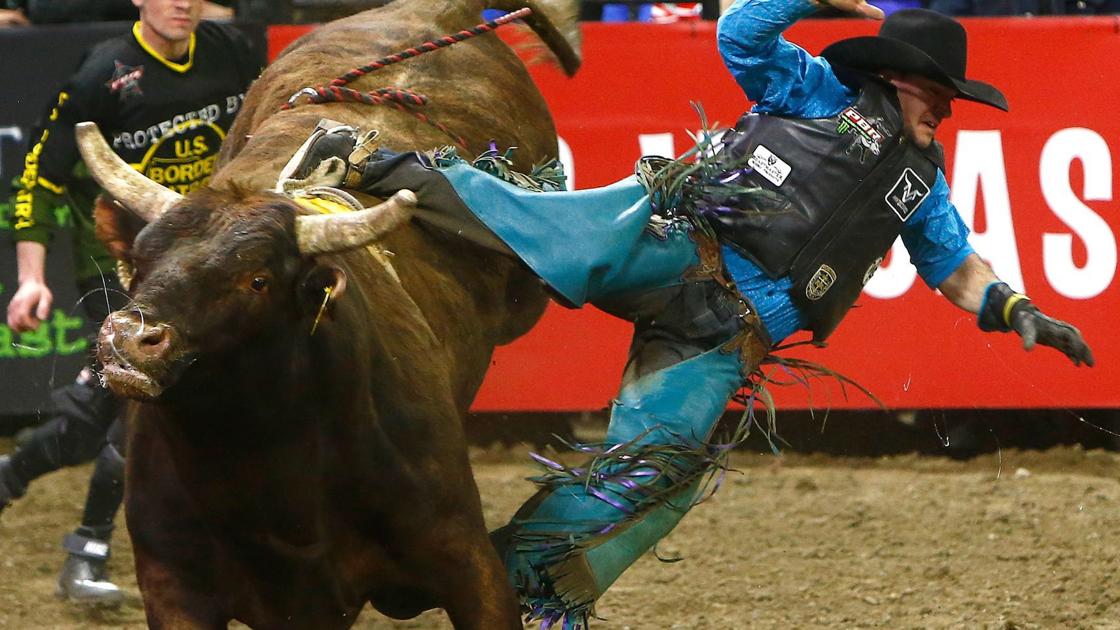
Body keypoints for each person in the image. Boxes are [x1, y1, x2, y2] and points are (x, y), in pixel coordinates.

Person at [281, 2, 1093, 627]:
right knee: (553, 235)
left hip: (722, 331)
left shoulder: (924, 180)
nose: (945, 115)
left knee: (659, 469)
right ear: (904, 80)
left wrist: (1015, 308)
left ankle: (492, 575)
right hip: (680, 239)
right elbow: (741, 34)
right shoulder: (814, 85)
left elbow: (952, 261)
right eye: (941, 99)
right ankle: (364, 156)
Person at [1, 0, 262, 606]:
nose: (181, 3)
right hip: (118, 264)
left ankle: (13, 479)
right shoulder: (102, 75)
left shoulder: (229, 53)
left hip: (203, 260)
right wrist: (31, 279)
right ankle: (87, 549)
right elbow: (37, 181)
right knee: (142, 405)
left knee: (93, 423)